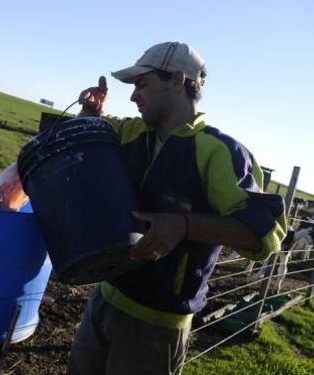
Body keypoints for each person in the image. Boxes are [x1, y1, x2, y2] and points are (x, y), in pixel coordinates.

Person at [66, 41, 287, 375]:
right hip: (104, 298)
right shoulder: (131, 132)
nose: (133, 95)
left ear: (176, 81)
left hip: (157, 325)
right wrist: (89, 113)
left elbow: (266, 235)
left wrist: (184, 226)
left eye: (142, 84)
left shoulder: (217, 151)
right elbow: (87, 136)